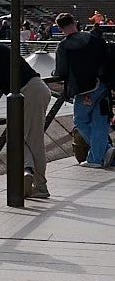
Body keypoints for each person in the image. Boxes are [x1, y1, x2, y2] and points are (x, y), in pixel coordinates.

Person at [0, 20, 49, 199]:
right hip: (32, 90)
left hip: (29, 92)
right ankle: (27, 171)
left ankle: (41, 186)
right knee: (19, 137)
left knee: (32, 140)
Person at [51, 11, 112, 168]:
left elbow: (61, 71)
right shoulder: (94, 38)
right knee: (100, 120)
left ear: (59, 28)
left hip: (83, 88)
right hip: (103, 84)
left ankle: (101, 153)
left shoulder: (64, 45)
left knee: (81, 120)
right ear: (74, 23)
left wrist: (54, 74)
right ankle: (98, 156)